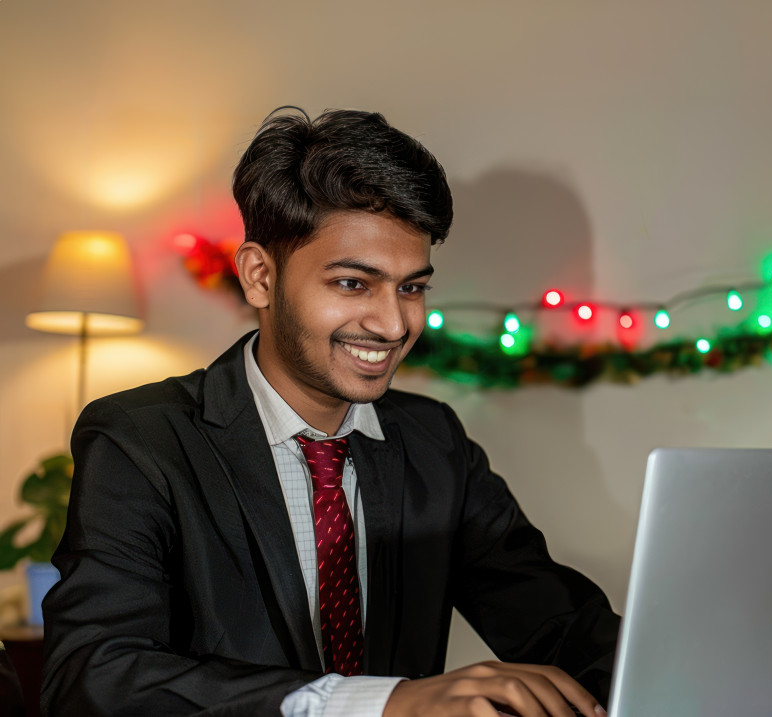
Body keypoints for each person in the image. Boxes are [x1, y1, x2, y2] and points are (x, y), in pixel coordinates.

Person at [40, 107, 620, 717]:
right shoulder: (140, 440)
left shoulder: (434, 442)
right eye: (352, 283)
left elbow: (561, 629)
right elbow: (94, 676)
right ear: (260, 277)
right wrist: (385, 703)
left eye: (412, 287)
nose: (394, 324)